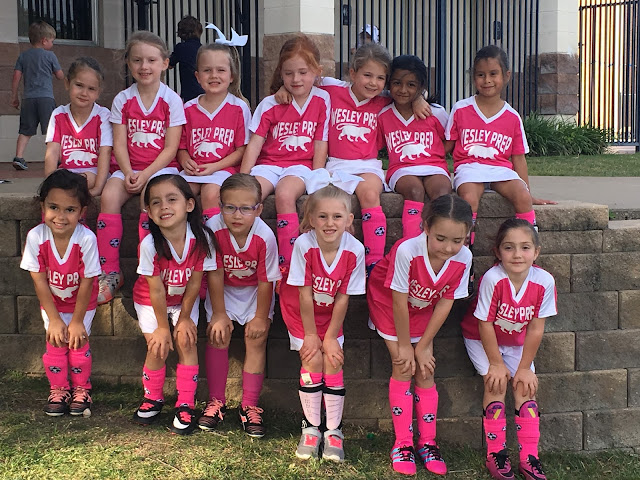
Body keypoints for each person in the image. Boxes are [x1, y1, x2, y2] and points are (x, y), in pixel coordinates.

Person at [367, 194, 473, 476]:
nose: (448, 247)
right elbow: (398, 301)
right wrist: (405, 346)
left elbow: (446, 302)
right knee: (403, 366)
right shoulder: (407, 250)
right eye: (440, 238)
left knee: (425, 371)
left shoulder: (464, 258)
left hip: (423, 308)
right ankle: (402, 444)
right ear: (426, 227)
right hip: (388, 304)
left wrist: (424, 346)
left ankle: (427, 443)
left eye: (457, 240)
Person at [460, 218, 556, 480]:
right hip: (481, 338)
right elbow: (484, 323)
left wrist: (524, 368)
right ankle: (496, 455)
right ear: (497, 251)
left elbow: (535, 328)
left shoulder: (544, 281)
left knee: (525, 388)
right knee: (496, 385)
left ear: (536, 252)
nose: (517, 254)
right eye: (509, 247)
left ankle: (529, 458)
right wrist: (495, 363)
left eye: (525, 247)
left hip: (516, 342)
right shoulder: (493, 279)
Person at [96, 31, 186, 305]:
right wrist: (127, 172)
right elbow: (119, 143)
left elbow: (171, 148)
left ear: (165, 63)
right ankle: (110, 271)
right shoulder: (123, 100)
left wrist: (145, 175)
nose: (144, 66)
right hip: (128, 167)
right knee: (109, 196)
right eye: (137, 60)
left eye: (151, 60)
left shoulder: (171, 100)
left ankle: (150, 268)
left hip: (161, 169)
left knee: (151, 197)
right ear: (128, 62)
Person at [279, 183, 365, 462]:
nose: (330, 223)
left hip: (329, 316)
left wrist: (329, 336)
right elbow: (304, 294)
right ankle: (311, 428)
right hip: (300, 312)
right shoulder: (304, 244)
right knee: (313, 360)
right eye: (323, 216)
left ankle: (334, 431)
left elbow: (343, 297)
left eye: (337, 216)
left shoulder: (355, 250)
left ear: (349, 220)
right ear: (311, 219)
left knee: (334, 361)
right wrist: (311, 335)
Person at [131, 174, 217, 435]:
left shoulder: (202, 238)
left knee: (186, 341)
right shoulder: (150, 244)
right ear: (149, 212)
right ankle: (153, 397)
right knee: (158, 346)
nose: (164, 206)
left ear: (189, 204)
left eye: (172, 199)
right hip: (150, 301)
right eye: (156, 202)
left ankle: (185, 403)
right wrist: (162, 327)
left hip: (183, 301)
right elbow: (156, 289)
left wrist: (185, 318)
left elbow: (195, 281)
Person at [445, 45, 554, 249]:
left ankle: (529, 245)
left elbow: (518, 158)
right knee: (468, 198)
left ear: (506, 75)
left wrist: (527, 192)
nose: (487, 80)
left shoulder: (512, 116)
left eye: (493, 74)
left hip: (500, 171)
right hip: (469, 169)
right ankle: (465, 252)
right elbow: (447, 146)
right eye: (481, 75)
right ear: (473, 77)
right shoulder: (460, 109)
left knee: (522, 196)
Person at [240, 34, 330, 275]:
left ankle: (288, 262)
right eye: (289, 73)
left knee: (284, 195)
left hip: (299, 166)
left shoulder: (322, 99)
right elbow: (255, 144)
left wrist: (317, 177)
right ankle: (244, 255)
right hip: (268, 165)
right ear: (281, 73)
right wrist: (243, 178)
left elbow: (320, 141)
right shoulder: (270, 104)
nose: (296, 79)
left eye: (303, 72)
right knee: (247, 196)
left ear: (317, 71)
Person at [202, 173, 281, 437]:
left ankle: (249, 405)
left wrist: (260, 317)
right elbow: (215, 272)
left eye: (246, 208)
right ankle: (216, 401)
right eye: (230, 207)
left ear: (258, 209)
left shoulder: (265, 236)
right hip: (223, 290)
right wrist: (219, 313)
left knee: (256, 339)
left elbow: (266, 281)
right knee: (218, 335)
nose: (237, 215)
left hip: (254, 291)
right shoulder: (213, 229)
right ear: (220, 205)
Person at [20, 170, 100, 417]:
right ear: (42, 206)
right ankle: (58, 389)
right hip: (52, 303)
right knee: (55, 343)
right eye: (53, 207)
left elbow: (87, 281)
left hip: (82, 304)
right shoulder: (36, 237)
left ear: (82, 212)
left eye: (70, 209)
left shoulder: (86, 239)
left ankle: (82, 389)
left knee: (77, 343)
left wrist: (77, 321)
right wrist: (54, 319)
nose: (61, 216)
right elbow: (39, 281)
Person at [377, 55, 452, 239]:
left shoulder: (435, 112)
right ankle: (411, 242)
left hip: (434, 166)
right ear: (388, 83)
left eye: (411, 85)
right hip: (401, 169)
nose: (403, 90)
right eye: (397, 83)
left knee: (442, 192)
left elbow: (450, 139)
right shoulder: (383, 114)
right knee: (414, 190)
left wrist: (435, 153)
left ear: (421, 87)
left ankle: (440, 238)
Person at [178, 43, 251, 220]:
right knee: (177, 193)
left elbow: (242, 150)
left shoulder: (239, 108)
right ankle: (182, 235)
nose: (214, 75)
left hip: (224, 169)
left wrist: (214, 167)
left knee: (211, 194)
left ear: (231, 76)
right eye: (207, 70)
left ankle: (212, 235)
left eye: (221, 70)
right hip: (194, 170)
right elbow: (181, 147)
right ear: (197, 76)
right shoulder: (188, 108)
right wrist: (186, 161)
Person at [44, 57, 112, 197]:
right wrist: (49, 184)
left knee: (85, 179)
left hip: (93, 172)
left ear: (98, 92)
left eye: (91, 89)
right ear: (67, 83)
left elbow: (105, 152)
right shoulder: (58, 114)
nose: (84, 93)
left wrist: (98, 188)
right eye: (79, 85)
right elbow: (52, 152)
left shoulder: (103, 115)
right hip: (67, 173)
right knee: (59, 179)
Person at [11, 20, 64, 171]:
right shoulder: (50, 56)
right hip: (46, 98)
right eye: (52, 41)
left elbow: (16, 77)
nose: (52, 44)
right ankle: (57, 159)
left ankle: (19, 157)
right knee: (51, 131)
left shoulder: (23, 56)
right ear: (44, 40)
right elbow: (59, 75)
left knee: (25, 130)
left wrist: (14, 96)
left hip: (28, 99)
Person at [169, 15, 205, 102]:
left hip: (189, 92)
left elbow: (169, 65)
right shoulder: (203, 49)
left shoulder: (180, 48)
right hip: (204, 89)